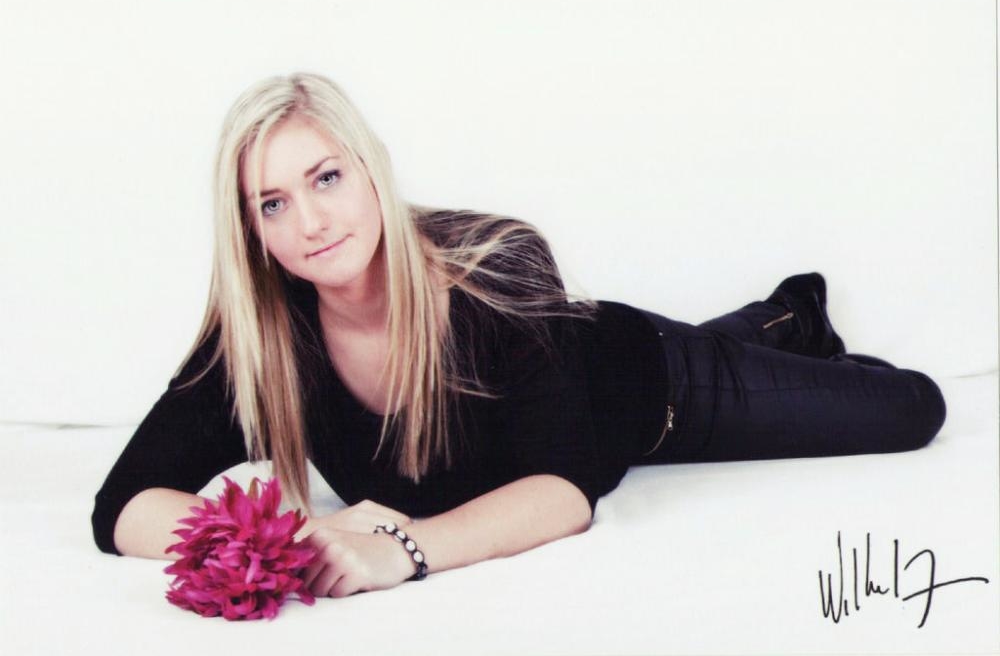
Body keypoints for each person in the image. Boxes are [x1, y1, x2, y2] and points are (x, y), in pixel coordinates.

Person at [91, 72, 946, 598]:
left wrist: (401, 549)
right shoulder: (262, 341)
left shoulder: (492, 267)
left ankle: (792, 320)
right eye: (273, 203)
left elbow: (566, 490)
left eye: (326, 178)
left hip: (655, 390)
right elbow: (123, 504)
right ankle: (777, 320)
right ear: (252, 231)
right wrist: (272, 546)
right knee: (710, 360)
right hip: (568, 390)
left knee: (911, 411)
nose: (310, 221)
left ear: (371, 169)